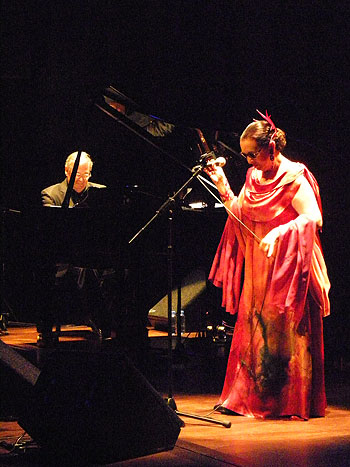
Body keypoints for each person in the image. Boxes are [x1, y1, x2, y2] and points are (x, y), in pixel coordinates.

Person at [204, 110, 330, 420]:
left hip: (289, 269)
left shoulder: (295, 176)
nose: (247, 160)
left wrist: (279, 230)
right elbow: (243, 216)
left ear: (270, 149)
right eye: (244, 154)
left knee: (284, 335)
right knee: (258, 332)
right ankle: (253, 398)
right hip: (261, 269)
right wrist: (223, 185)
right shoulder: (253, 177)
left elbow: (313, 218)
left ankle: (285, 402)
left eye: (252, 154)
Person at [37, 151, 113, 346]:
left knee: (120, 271)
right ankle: (103, 323)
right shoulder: (51, 194)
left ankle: (117, 325)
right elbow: (51, 235)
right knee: (83, 270)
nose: (82, 179)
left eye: (86, 175)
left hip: (96, 256)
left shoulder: (101, 192)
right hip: (62, 257)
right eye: (77, 175)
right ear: (66, 171)